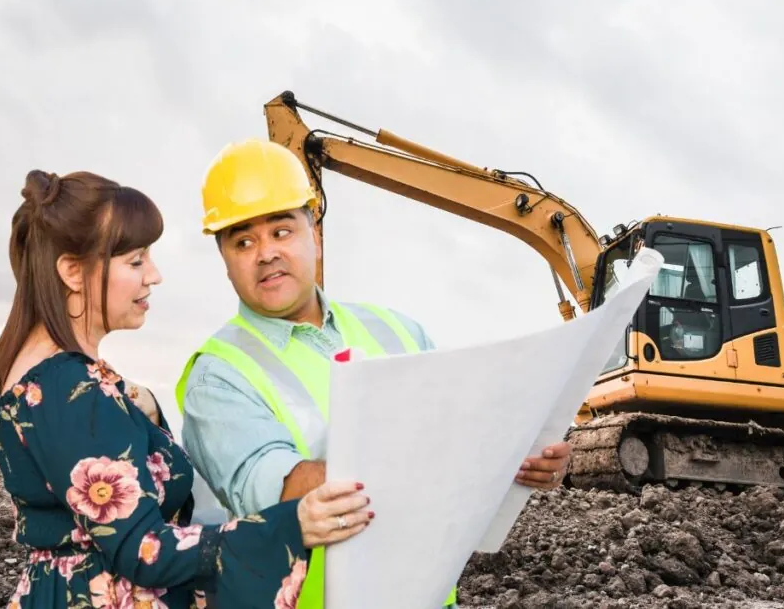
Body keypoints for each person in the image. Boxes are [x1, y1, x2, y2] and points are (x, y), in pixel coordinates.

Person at [176, 140, 573, 609]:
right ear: (225, 261)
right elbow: (275, 492)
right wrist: (444, 463)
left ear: (314, 234)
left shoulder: (397, 329)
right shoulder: (218, 374)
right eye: (243, 241)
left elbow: (460, 434)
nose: (265, 253)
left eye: (281, 231)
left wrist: (521, 461)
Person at [0, 169, 373, 609]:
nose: (154, 276)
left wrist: (143, 408)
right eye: (136, 261)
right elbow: (144, 551)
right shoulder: (66, 387)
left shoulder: (54, 378)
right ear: (73, 271)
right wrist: (293, 524)